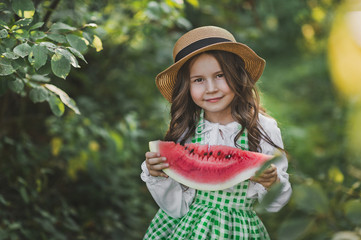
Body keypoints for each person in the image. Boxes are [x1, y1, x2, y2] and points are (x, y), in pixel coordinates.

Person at [140, 26, 292, 239]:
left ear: (237, 76)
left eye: (220, 75)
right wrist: (159, 177)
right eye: (198, 80)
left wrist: (271, 183)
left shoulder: (262, 128)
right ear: (187, 86)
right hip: (187, 230)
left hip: (238, 231)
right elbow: (176, 209)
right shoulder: (187, 131)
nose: (211, 88)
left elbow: (274, 205)